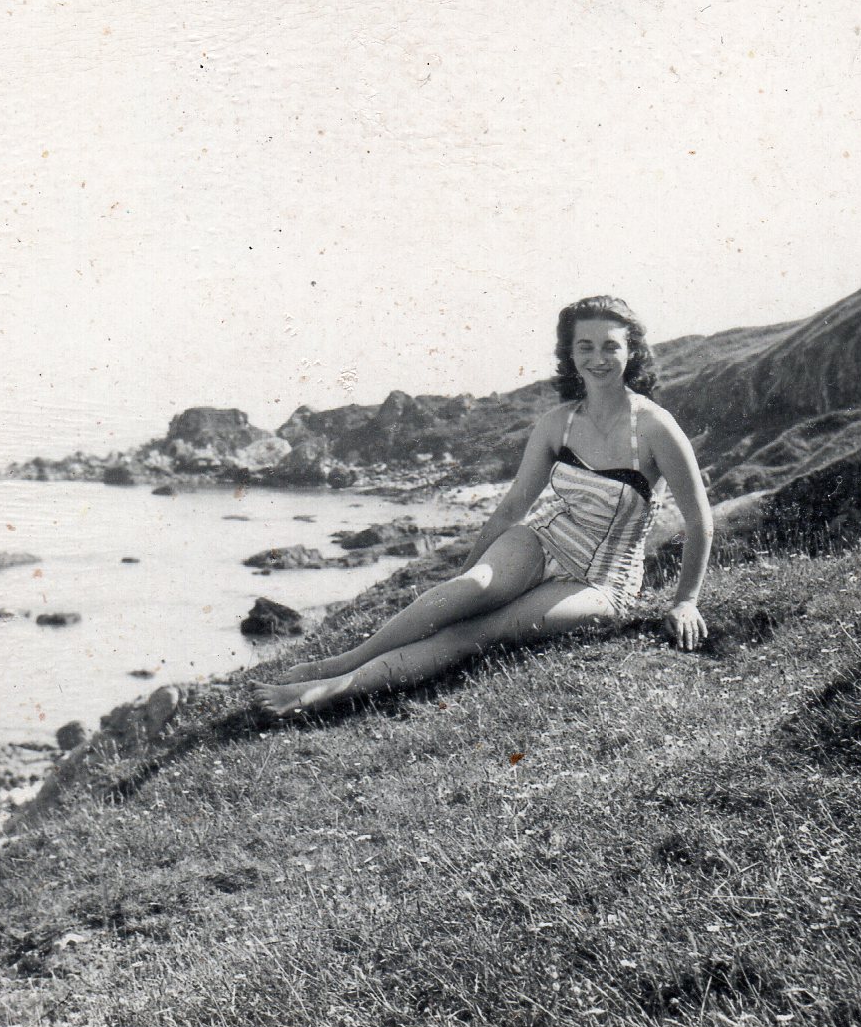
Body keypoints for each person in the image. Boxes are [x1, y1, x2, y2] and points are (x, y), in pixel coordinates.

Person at [255, 295, 713, 720]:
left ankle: (332, 690)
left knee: (473, 634)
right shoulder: (559, 422)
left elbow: (699, 520)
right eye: (585, 346)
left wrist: (686, 601)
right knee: (470, 590)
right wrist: (467, 577)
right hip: (543, 538)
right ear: (570, 354)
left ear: (632, 352)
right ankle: (345, 660)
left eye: (610, 346)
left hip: (600, 579)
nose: (598, 358)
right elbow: (515, 503)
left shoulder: (655, 427)